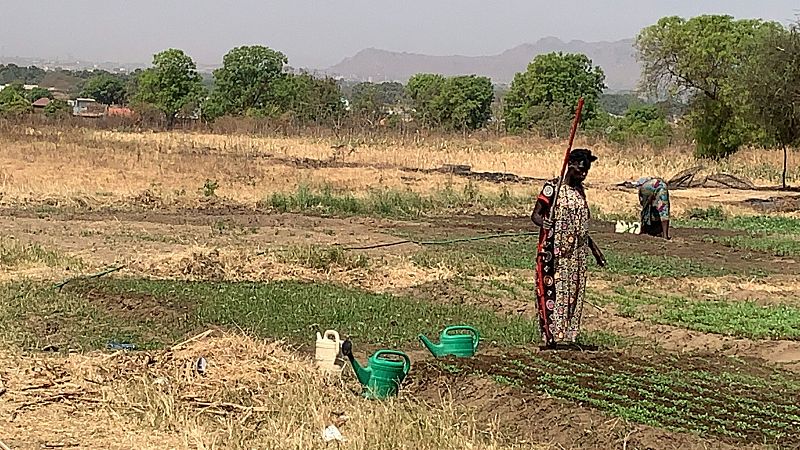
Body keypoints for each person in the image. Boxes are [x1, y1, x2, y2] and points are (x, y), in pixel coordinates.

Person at [531, 148, 606, 349]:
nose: (583, 173)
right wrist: (544, 223)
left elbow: (580, 227)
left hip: (577, 255)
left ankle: (568, 336)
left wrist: (595, 250)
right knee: (555, 291)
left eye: (586, 170)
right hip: (556, 252)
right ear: (569, 165)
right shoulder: (552, 188)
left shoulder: (580, 191)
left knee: (574, 292)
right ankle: (552, 336)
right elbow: (536, 215)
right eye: (581, 168)